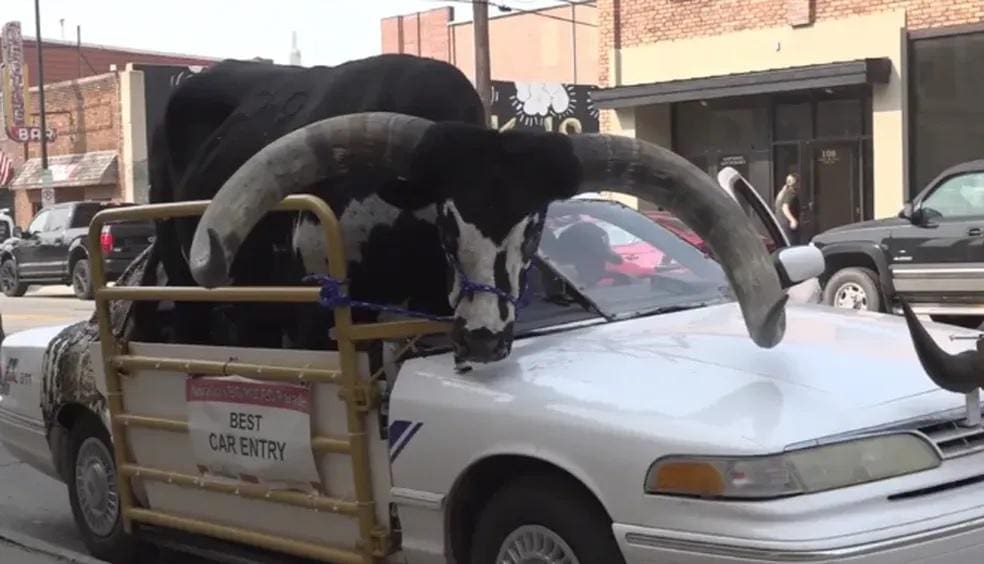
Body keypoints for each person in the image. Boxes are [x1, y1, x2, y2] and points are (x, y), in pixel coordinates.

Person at [774, 174, 800, 244]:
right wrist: (792, 220)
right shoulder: (791, 193)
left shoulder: (783, 192)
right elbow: (785, 207)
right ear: (796, 183)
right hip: (787, 226)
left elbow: (777, 204)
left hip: (780, 223)